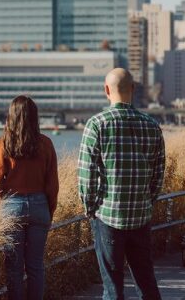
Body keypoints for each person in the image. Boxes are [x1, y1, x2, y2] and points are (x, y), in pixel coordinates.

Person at [78, 68, 165, 300]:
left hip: (108, 216)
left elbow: (87, 176)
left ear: (106, 90)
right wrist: (146, 202)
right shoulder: (152, 126)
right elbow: (158, 175)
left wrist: (91, 208)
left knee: (112, 287)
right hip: (140, 216)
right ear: (133, 90)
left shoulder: (96, 125)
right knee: (147, 282)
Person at [0, 95, 59, 300]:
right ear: (35, 117)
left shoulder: (2, 145)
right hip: (40, 206)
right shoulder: (46, 143)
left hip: (11, 207)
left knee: (14, 267)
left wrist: (2, 201)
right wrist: (49, 210)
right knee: (36, 266)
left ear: (11, 116)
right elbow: (52, 185)